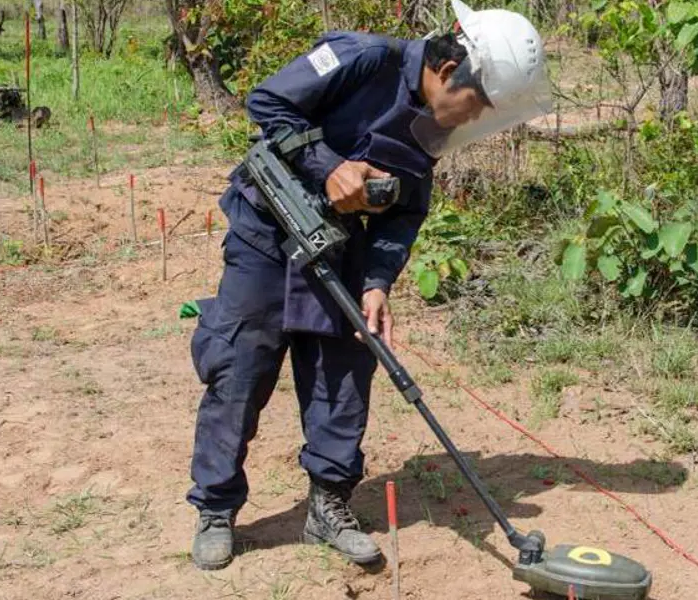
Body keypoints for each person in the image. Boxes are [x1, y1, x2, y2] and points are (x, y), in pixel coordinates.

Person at [185, 0, 551, 571]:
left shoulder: (432, 128)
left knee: (345, 378)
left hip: (345, 253)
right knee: (239, 370)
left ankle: (328, 506)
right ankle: (216, 509)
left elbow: (405, 214)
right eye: (476, 104)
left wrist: (378, 281)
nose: (471, 119)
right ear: (450, 72)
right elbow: (267, 101)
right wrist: (327, 164)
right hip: (267, 238)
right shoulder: (362, 57)